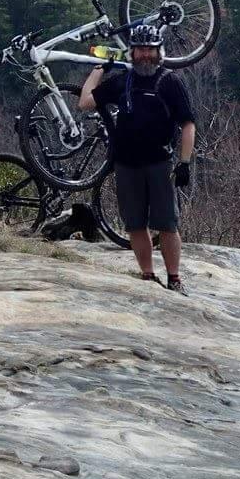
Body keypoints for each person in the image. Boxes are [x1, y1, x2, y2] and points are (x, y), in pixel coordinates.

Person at [79, 24, 196, 295]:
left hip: (159, 163)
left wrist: (185, 162)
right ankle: (147, 275)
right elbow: (85, 102)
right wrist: (99, 69)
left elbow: (188, 124)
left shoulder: (170, 81)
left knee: (167, 224)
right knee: (135, 224)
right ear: (132, 52)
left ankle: (174, 278)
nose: (145, 55)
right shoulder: (123, 80)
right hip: (126, 164)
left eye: (150, 49)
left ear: (158, 51)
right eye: (140, 49)